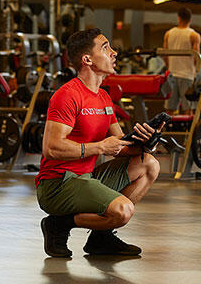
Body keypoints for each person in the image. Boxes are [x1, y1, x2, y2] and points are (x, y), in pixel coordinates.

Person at [36, 28, 162, 258]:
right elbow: (51, 148)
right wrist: (100, 147)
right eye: (106, 48)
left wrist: (147, 142)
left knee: (150, 164)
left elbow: (121, 147)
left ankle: (100, 238)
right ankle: (59, 225)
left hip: (86, 178)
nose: (114, 53)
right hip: (58, 184)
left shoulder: (104, 97)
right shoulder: (67, 95)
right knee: (123, 210)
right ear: (87, 59)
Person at [163, 7, 201, 115]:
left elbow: (165, 56)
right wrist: (196, 75)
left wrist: (169, 69)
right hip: (187, 76)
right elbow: (196, 58)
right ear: (190, 19)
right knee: (188, 110)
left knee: (169, 110)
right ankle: (187, 131)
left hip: (172, 74)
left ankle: (166, 131)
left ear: (178, 18)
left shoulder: (168, 34)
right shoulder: (194, 35)